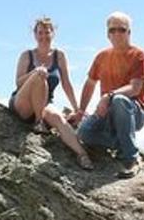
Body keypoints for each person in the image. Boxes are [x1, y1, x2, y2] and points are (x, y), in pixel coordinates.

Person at [71, 11, 144, 178]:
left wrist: (109, 96)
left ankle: (131, 159)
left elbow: (135, 89)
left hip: (133, 112)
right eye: (112, 30)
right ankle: (124, 143)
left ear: (129, 32)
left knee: (119, 100)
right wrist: (80, 111)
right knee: (84, 133)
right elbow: (90, 84)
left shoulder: (139, 56)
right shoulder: (102, 57)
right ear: (107, 34)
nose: (116, 34)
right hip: (108, 115)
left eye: (121, 29)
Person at [9, 17, 95, 170]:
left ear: (53, 33)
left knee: (58, 118)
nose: (43, 36)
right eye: (40, 33)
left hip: (45, 103)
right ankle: (38, 122)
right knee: (40, 75)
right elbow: (18, 82)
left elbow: (66, 83)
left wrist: (77, 109)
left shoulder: (59, 55)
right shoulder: (27, 55)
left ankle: (82, 155)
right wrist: (35, 73)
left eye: (47, 32)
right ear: (35, 35)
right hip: (23, 102)